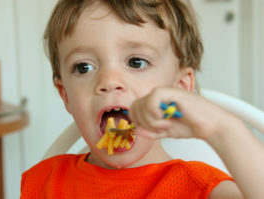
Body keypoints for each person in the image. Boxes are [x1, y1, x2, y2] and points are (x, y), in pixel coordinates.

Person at [20, 0, 264, 198]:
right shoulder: (43, 182)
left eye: (136, 62)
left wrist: (222, 130)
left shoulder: (199, 189)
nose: (109, 80)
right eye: (83, 67)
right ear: (66, 96)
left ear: (179, 88)